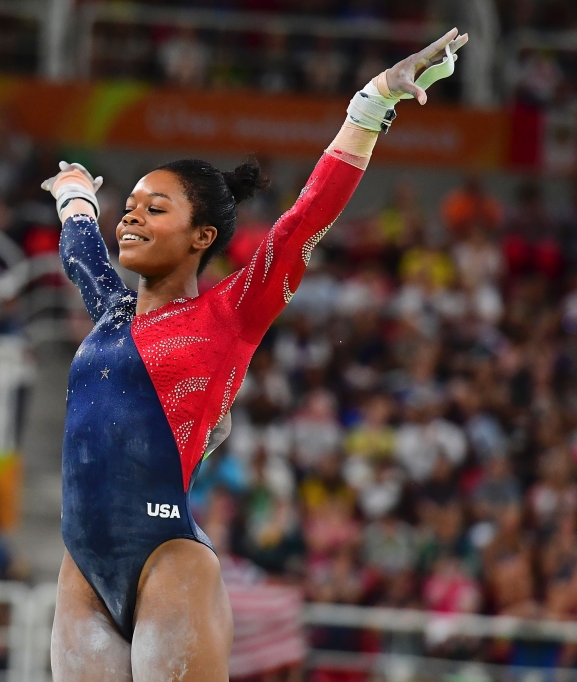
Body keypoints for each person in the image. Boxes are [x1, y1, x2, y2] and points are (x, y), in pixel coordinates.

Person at [40, 29, 468, 681]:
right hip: (82, 566)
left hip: (166, 560)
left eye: (155, 209)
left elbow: (305, 219)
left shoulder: (229, 312)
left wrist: (373, 102)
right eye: (126, 208)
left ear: (201, 237)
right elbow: (80, 250)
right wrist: (74, 192)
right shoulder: (111, 311)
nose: (129, 219)